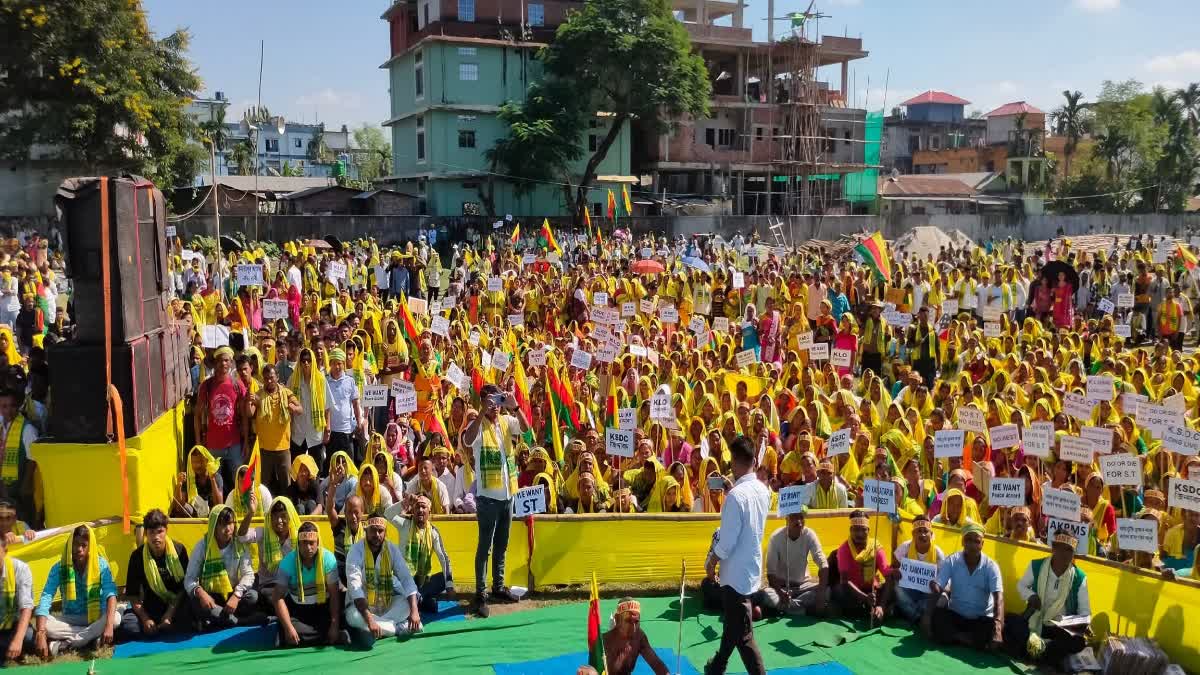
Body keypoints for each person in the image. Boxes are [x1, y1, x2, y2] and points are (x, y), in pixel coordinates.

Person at [461, 383, 531, 617]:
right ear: (483, 401)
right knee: (485, 547)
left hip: (507, 494)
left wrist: (516, 406)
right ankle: (480, 594)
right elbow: (467, 441)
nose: (496, 406)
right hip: (488, 498)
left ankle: (498, 586)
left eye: (499, 400)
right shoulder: (478, 424)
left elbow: (526, 428)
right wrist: (482, 412)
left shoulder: (506, 421)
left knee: (502, 544)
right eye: (492, 401)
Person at [703, 436, 769, 675]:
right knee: (735, 627)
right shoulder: (763, 490)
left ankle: (721, 667)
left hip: (734, 573)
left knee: (743, 635)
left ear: (734, 461)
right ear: (753, 460)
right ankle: (717, 666)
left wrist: (712, 561)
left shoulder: (736, 497)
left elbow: (727, 539)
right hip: (750, 567)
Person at [1003, 530, 1090, 665]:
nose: (1066, 554)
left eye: (1070, 550)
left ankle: (1033, 653)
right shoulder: (1036, 566)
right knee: (1010, 622)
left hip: (1059, 630)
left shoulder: (1080, 577)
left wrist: (1078, 622)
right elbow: (1021, 586)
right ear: (1053, 548)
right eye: (1062, 549)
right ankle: (1042, 655)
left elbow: (1085, 612)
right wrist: (1031, 596)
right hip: (1035, 621)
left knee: (1079, 642)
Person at [33, 524, 119, 658]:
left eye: (84, 545)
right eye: (75, 544)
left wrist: (108, 626)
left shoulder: (101, 564)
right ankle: (92, 637)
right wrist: (41, 633)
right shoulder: (59, 568)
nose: (79, 549)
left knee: (115, 618)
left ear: (91, 546)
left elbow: (111, 595)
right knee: (47, 624)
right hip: (72, 619)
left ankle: (67, 644)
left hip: (96, 615)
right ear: (69, 545)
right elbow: (46, 597)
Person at [924, 524, 1004, 652]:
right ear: (962, 541)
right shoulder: (952, 560)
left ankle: (956, 637)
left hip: (980, 619)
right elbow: (938, 586)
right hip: (955, 615)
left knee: (988, 631)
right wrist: (927, 616)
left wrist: (998, 629)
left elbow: (998, 598)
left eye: (976, 541)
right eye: (968, 540)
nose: (972, 545)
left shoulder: (991, 566)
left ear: (982, 544)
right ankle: (967, 639)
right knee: (937, 617)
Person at [184, 505, 262, 631]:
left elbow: (248, 574)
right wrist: (200, 592)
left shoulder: (239, 544)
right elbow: (189, 579)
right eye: (222, 525)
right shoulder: (202, 546)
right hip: (211, 596)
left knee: (253, 596)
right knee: (196, 602)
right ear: (214, 526)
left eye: (230, 523)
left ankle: (219, 620)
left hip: (232, 594)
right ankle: (240, 621)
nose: (228, 529)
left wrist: (236, 595)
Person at [345, 516, 421, 644]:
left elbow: (407, 579)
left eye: (380, 531)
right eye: (373, 530)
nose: (377, 535)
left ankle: (378, 629)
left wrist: (415, 611)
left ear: (385, 532)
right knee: (353, 617)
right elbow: (355, 590)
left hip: (386, 606)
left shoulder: (392, 549)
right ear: (366, 531)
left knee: (409, 602)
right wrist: (370, 620)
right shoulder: (355, 551)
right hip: (362, 609)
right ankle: (397, 628)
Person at [273, 522, 346, 648]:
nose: (308, 548)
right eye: (304, 543)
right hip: (298, 611)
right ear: (298, 544)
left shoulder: (328, 559)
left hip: (322, 608)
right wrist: (289, 627)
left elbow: (334, 595)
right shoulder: (287, 562)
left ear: (317, 543)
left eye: (311, 543)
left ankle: (320, 635)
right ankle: (323, 637)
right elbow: (277, 597)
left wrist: (334, 625)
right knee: (288, 630)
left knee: (338, 619)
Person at [121, 509, 191, 639]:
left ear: (166, 531)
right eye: (151, 532)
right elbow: (133, 595)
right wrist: (145, 619)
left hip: (177, 606)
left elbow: (185, 586)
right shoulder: (137, 557)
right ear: (146, 534)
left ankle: (170, 625)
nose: (156, 537)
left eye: (160, 532)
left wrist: (170, 613)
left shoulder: (179, 550)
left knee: (191, 614)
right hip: (151, 609)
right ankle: (159, 627)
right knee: (129, 626)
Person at [386, 495, 454, 614]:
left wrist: (449, 585)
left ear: (429, 511)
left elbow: (444, 559)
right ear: (412, 510)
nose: (420, 510)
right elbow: (387, 514)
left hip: (422, 582)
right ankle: (420, 601)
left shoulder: (433, 532)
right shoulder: (404, 524)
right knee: (390, 580)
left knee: (443, 579)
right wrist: (405, 502)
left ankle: (416, 599)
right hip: (404, 580)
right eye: (417, 507)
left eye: (424, 507)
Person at [195, 346, 247, 493]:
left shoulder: (237, 385)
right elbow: (197, 415)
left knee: (240, 482)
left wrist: (246, 442)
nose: (223, 364)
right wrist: (199, 443)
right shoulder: (207, 385)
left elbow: (244, 415)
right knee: (216, 485)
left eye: (227, 360)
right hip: (213, 446)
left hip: (235, 445)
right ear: (215, 362)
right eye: (220, 360)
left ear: (231, 363)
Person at [246, 364, 302, 497]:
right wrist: (250, 401)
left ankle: (286, 509)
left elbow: (300, 409)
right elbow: (249, 413)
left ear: (277, 377)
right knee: (264, 484)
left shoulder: (286, 393)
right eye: (266, 378)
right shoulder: (259, 395)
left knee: (286, 484)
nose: (269, 381)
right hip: (264, 449)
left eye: (271, 377)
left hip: (283, 448)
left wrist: (293, 408)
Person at [758, 508, 827, 616]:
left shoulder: (809, 534)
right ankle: (804, 610)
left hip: (803, 585)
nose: (799, 521)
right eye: (795, 517)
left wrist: (822, 592)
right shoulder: (776, 537)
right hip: (781, 587)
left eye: (801, 517)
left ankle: (783, 609)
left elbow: (822, 562)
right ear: (787, 520)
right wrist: (781, 593)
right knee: (767, 594)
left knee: (827, 591)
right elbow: (771, 573)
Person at [832, 511, 889, 621]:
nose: (860, 534)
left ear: (869, 531)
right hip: (852, 592)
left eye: (863, 529)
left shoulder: (876, 547)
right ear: (850, 530)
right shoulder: (844, 549)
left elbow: (886, 573)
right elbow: (845, 580)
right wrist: (864, 598)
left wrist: (881, 606)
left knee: (892, 584)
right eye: (856, 529)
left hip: (871, 589)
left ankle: (879, 609)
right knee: (838, 592)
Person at [888, 514, 945, 623]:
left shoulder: (938, 553)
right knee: (895, 583)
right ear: (913, 534)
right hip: (909, 591)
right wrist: (895, 572)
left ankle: (908, 612)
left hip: (928, 594)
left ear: (931, 534)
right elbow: (893, 566)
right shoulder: (905, 547)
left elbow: (944, 580)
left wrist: (937, 584)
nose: (922, 535)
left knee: (943, 599)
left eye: (925, 531)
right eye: (919, 531)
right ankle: (918, 617)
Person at [603, 598, 669, 675]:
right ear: (617, 620)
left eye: (636, 621)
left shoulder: (639, 637)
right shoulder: (603, 642)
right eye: (628, 621)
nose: (633, 628)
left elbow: (656, 664)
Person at [326, 348, 366, 466]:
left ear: (343, 364)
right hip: (331, 430)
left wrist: (359, 422)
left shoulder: (350, 381)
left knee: (349, 464)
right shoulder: (325, 381)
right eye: (334, 363)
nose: (337, 367)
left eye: (339, 363)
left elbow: (355, 403)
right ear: (330, 364)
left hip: (346, 430)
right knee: (332, 463)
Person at [0, 533, 33, 664]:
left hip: (14, 625)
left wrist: (18, 640)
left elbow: (26, 607)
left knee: (30, 638)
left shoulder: (20, 569)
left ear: (5, 551)